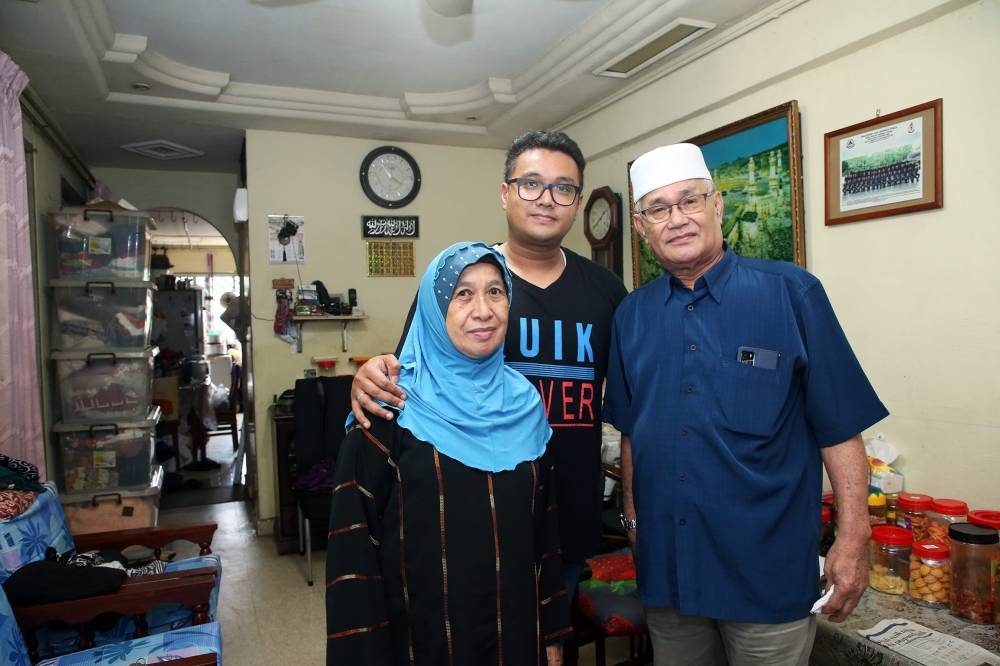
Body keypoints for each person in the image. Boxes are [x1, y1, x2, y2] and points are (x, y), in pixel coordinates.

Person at [604, 143, 888, 665]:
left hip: (766, 574)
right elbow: (631, 433)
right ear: (642, 230)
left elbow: (839, 428)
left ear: (718, 206)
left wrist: (853, 540)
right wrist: (635, 528)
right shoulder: (631, 316)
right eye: (659, 209)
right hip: (670, 575)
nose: (678, 219)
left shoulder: (792, 294)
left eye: (689, 200)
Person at [350, 130, 629, 600]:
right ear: (505, 193)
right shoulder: (462, 282)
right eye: (531, 183)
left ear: (577, 202)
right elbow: (408, 376)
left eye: (564, 188)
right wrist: (368, 375)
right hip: (470, 513)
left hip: (566, 514)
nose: (546, 199)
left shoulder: (606, 292)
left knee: (550, 642)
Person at [326, 242, 570, 665]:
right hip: (422, 647)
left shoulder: (526, 406)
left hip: (515, 642)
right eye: (462, 293)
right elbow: (353, 562)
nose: (483, 310)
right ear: (433, 309)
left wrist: (552, 637)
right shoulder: (387, 410)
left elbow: (544, 538)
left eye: (496, 292)